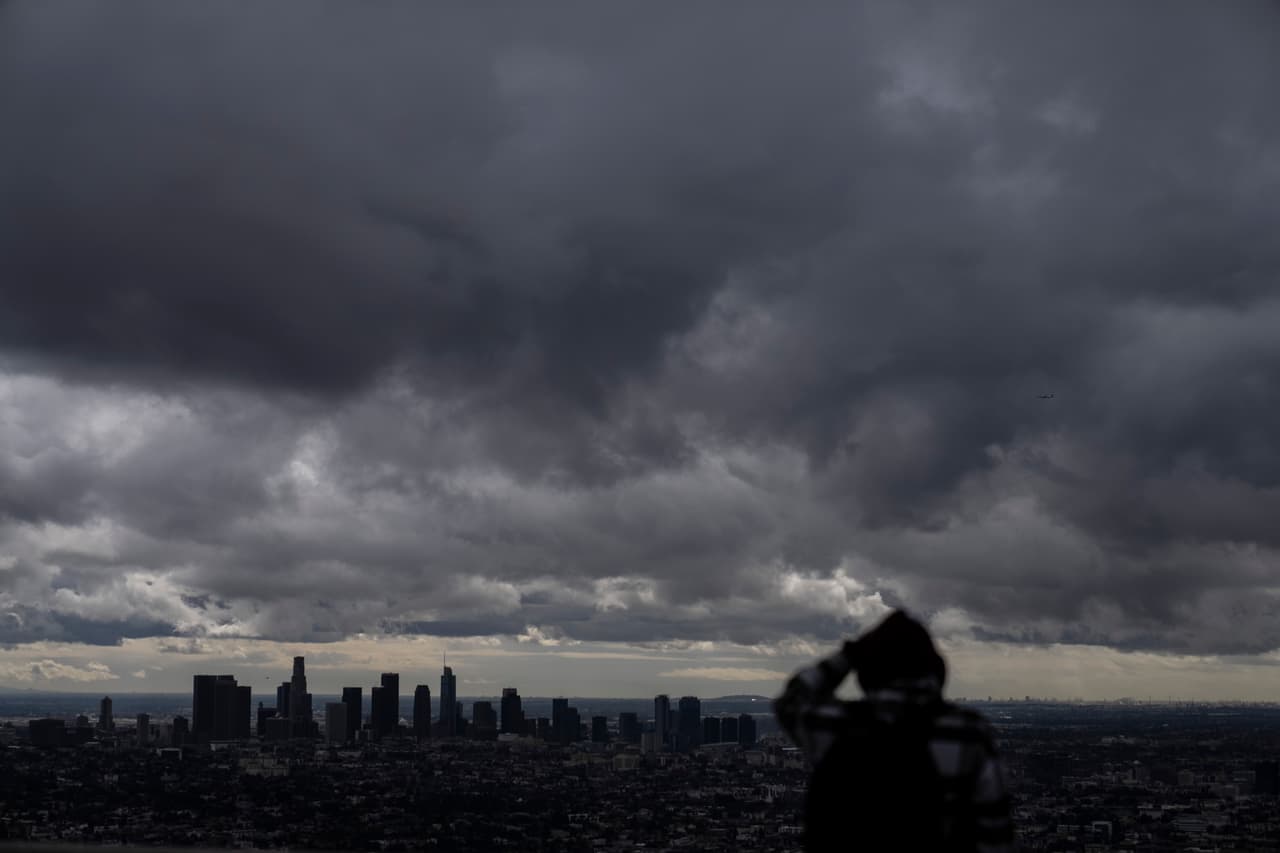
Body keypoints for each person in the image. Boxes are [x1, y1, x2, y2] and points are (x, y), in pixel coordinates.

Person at [775, 610, 1014, 852]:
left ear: (867, 673)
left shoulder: (837, 727)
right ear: (936, 672)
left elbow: (791, 700)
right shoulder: (967, 734)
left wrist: (849, 654)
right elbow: (995, 838)